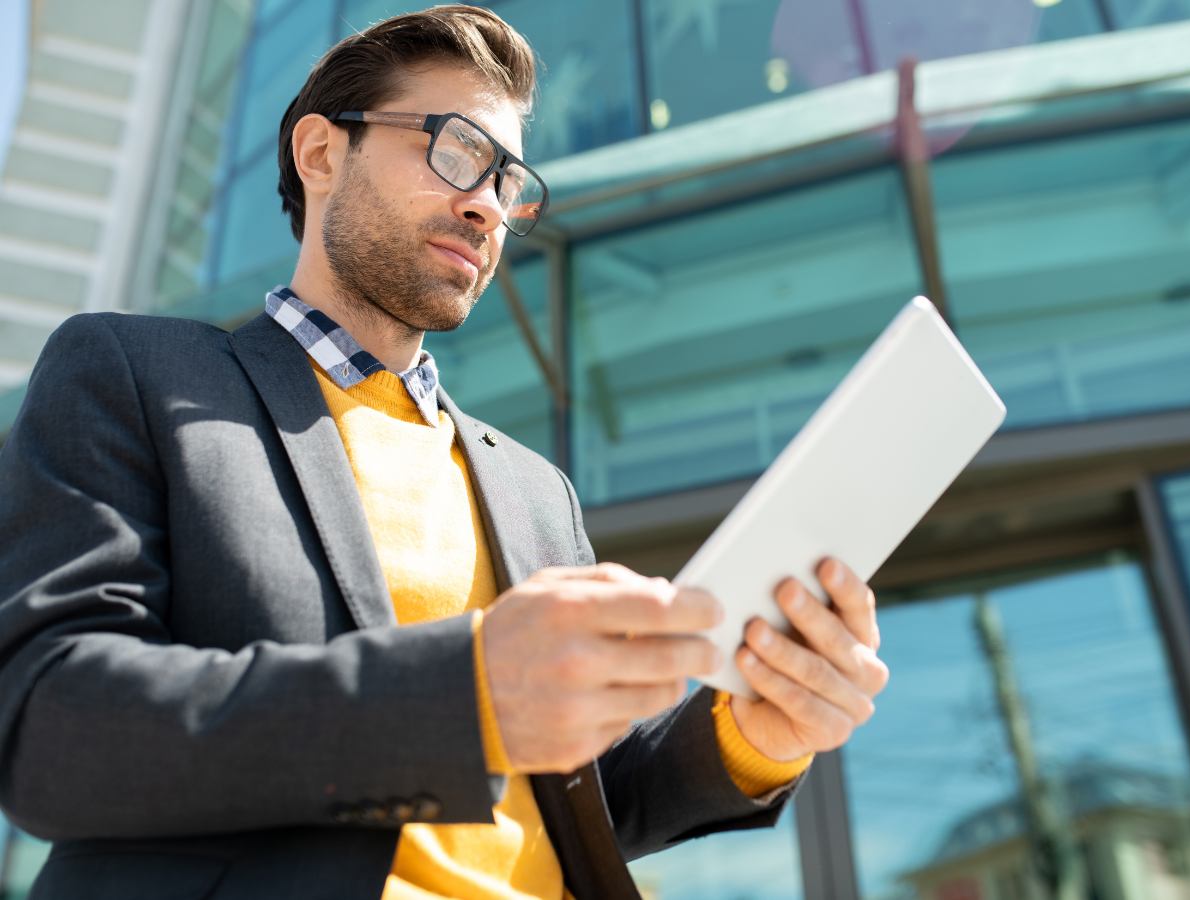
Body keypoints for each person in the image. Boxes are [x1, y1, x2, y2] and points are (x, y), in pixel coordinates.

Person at [0, 7, 888, 899]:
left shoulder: (537, 492)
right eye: (458, 151)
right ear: (319, 155)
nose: (486, 206)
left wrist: (756, 731)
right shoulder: (139, 376)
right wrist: (464, 697)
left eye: (508, 182)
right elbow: (51, 725)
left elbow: (596, 795)